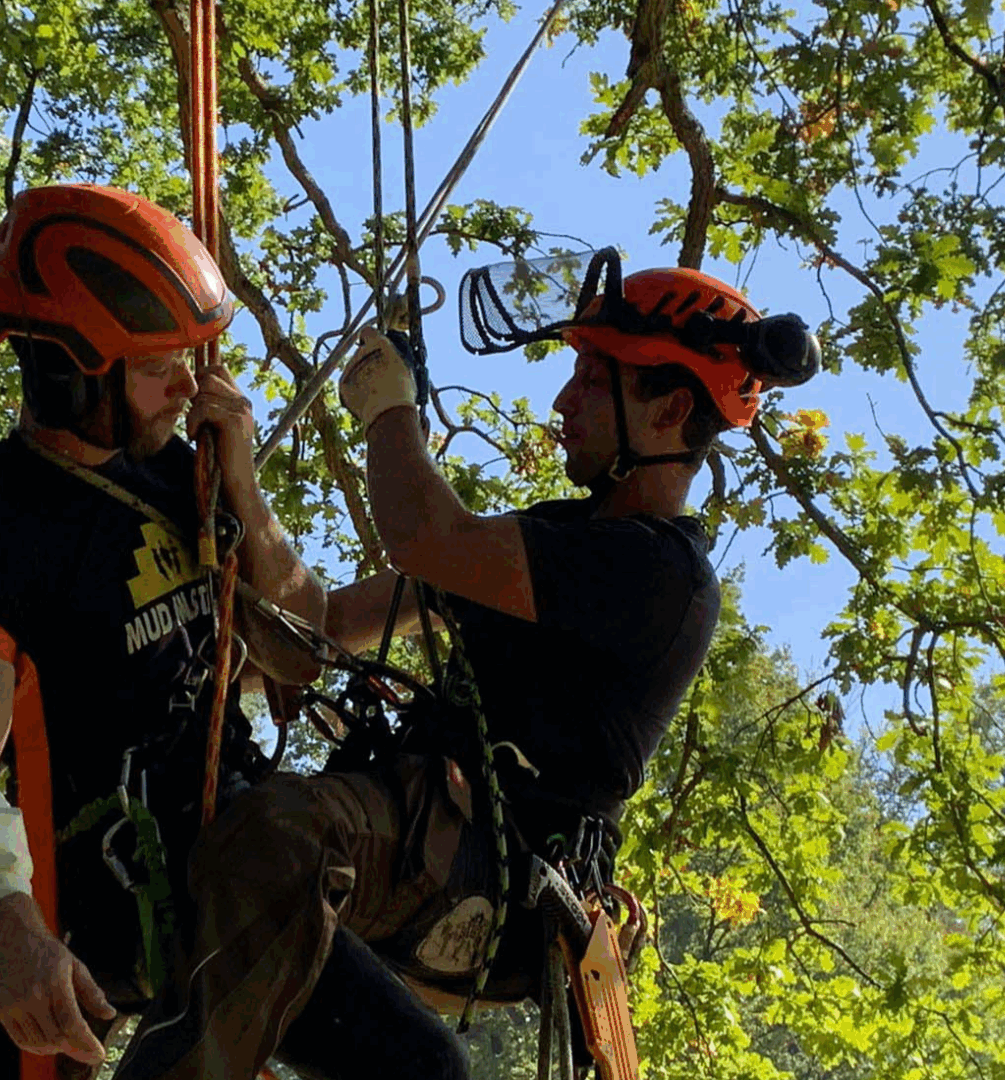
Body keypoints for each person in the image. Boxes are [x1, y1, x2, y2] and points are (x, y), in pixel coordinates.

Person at [111, 256, 819, 1080]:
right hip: (426, 846)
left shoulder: (658, 576)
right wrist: (239, 486)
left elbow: (427, 538)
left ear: (666, 410)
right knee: (174, 853)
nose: (563, 402)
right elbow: (330, 624)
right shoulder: (554, 538)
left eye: (593, 380)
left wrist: (389, 410)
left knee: (279, 833)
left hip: (493, 874)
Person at [0, 183, 326, 1080]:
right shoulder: (0, 539)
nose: (189, 384)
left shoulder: (182, 468)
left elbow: (300, 653)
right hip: (116, 902)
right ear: (72, 373)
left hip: (246, 861)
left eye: (186, 356)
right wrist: (9, 930)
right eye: (155, 366)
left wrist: (246, 497)